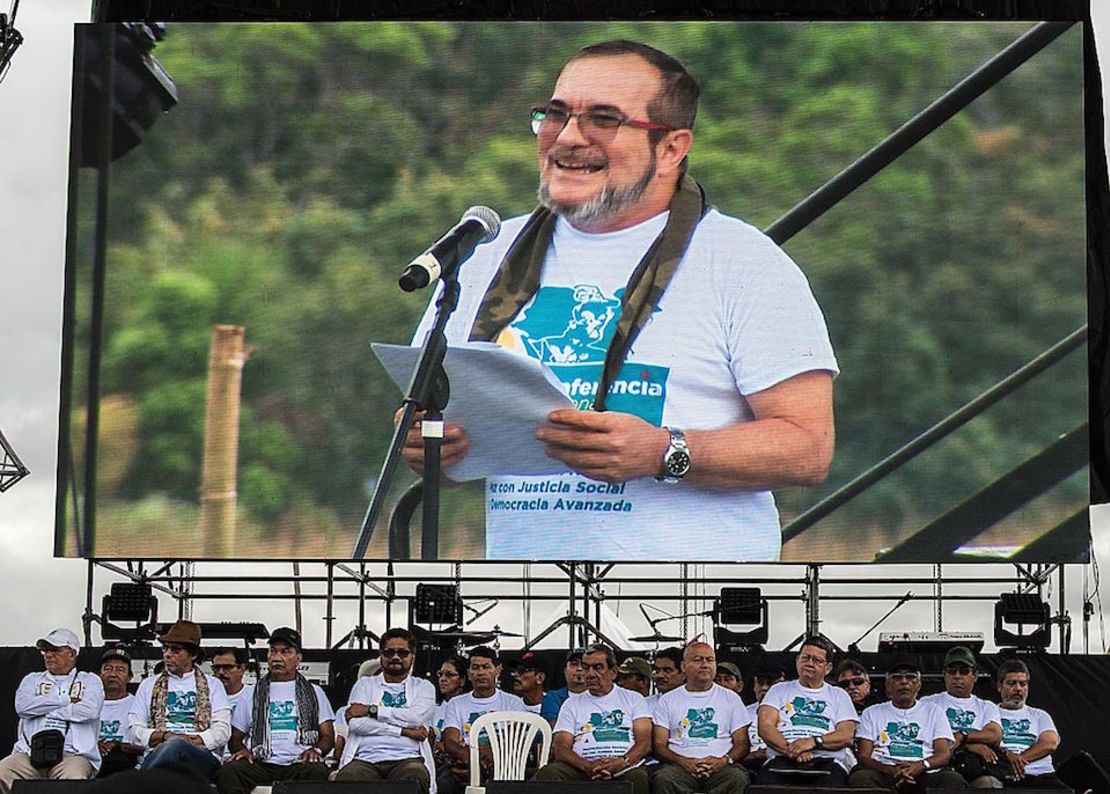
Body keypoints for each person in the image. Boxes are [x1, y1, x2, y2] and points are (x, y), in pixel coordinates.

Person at [403, 39, 837, 562]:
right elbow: (425, 424)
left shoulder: (745, 263)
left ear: (673, 148)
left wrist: (663, 451)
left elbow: (808, 449)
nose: (567, 137)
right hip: (524, 608)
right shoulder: (481, 255)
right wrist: (430, 447)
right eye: (555, 114)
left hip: (691, 615)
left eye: (603, 119)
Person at [216, 627, 334, 794]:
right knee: (230, 771)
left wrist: (316, 750)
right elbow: (235, 737)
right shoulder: (252, 692)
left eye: (285, 652)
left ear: (298, 658)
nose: (277, 658)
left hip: (298, 763)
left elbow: (328, 736)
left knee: (317, 771)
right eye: (273, 651)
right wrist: (241, 750)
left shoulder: (315, 692)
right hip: (259, 763)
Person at [536, 644, 652, 794]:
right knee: (550, 772)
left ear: (613, 672)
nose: (590, 674)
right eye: (586, 668)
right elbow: (561, 748)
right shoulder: (571, 704)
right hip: (582, 768)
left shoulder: (633, 699)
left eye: (598, 667)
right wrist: (587, 766)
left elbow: (645, 742)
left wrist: (621, 762)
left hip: (623, 766)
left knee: (638, 777)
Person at [0, 628, 104, 791]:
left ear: (72, 653)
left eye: (55, 650)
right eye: (46, 651)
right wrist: (66, 700)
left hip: (71, 755)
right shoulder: (32, 679)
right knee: (2, 771)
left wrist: (43, 708)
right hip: (29, 754)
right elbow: (23, 707)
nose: (48, 655)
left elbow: (89, 711)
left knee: (74, 778)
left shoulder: (90, 680)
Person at [128, 620, 231, 783]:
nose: (167, 654)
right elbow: (134, 731)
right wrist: (164, 737)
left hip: (201, 756)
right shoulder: (148, 684)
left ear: (193, 655)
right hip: (157, 753)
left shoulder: (213, 685)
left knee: (177, 746)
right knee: (172, 748)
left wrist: (189, 741)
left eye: (175, 650)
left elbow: (222, 730)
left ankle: (144, 784)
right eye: (165, 648)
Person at [334, 628, 436, 792]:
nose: (395, 657)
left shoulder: (423, 687)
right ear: (381, 656)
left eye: (402, 653)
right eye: (389, 653)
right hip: (365, 759)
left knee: (416, 776)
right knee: (347, 778)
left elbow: (415, 718)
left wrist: (372, 711)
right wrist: (404, 731)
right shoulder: (365, 684)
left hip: (408, 758)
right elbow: (356, 725)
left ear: (413, 657)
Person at [848, 654, 965, 792]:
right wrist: (892, 770)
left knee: (952, 780)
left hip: (925, 772)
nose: (904, 682)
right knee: (860, 779)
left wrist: (921, 765)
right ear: (887, 685)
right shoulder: (872, 712)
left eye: (910, 677)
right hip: (884, 771)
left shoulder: (934, 712)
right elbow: (863, 756)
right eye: (897, 678)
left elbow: (943, 754)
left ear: (919, 684)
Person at [651, 642, 751, 794]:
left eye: (710, 660)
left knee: (737, 777)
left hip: (722, 768)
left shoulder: (731, 698)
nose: (705, 664)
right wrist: (683, 762)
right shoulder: (667, 700)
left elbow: (742, 743)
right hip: (679, 768)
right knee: (664, 778)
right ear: (684, 666)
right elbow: (659, 745)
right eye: (698, 659)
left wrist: (723, 761)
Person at [757, 636, 856, 786]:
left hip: (827, 763)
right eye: (805, 658)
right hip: (781, 760)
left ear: (828, 668)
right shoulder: (778, 690)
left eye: (817, 660)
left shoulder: (839, 695)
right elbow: (765, 727)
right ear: (797, 660)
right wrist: (794, 751)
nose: (810, 663)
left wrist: (813, 742)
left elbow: (846, 735)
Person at [441, 646, 528, 793]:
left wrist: (491, 753)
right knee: (444, 781)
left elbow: (515, 740)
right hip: (466, 761)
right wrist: (471, 757)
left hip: (503, 763)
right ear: (469, 674)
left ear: (498, 670)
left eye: (486, 667)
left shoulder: (514, 703)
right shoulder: (455, 703)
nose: (480, 672)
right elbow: (450, 741)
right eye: (475, 668)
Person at [920, 646, 1004, 789]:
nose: (957, 676)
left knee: (991, 784)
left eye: (964, 671)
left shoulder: (986, 706)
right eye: (952, 671)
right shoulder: (927, 703)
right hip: (937, 771)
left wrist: (961, 737)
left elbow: (994, 735)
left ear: (975, 675)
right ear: (944, 674)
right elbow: (923, 739)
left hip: (974, 770)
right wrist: (968, 745)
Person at [994, 660, 1069, 789]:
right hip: (1004, 776)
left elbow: (1050, 743)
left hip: (1041, 775)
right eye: (1012, 683)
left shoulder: (1039, 715)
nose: (1018, 689)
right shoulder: (989, 712)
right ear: (999, 686)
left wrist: (1017, 761)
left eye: (1023, 684)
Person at [96, 645, 143, 777]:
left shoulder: (138, 704)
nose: (113, 674)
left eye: (120, 669)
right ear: (100, 674)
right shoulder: (89, 704)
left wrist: (117, 746)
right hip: (91, 762)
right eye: (108, 669)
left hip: (129, 766)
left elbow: (146, 745)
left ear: (129, 677)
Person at [432, 655, 470, 794]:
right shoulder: (434, 709)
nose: (443, 679)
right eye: (440, 674)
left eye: (450, 675)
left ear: (463, 680)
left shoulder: (467, 706)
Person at [209, 647, 253, 759]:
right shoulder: (204, 696)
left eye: (227, 667)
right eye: (216, 668)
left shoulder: (253, 695)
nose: (221, 672)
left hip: (242, 758)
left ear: (242, 668)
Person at [742, 661, 782, 772]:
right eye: (760, 683)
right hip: (749, 766)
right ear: (754, 685)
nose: (764, 687)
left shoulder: (791, 712)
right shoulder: (742, 712)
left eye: (770, 683)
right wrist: (754, 755)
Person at [541, 648, 587, 724]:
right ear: (565, 671)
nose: (579, 668)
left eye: (584, 665)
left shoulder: (601, 696)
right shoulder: (553, 697)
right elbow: (552, 726)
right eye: (574, 664)